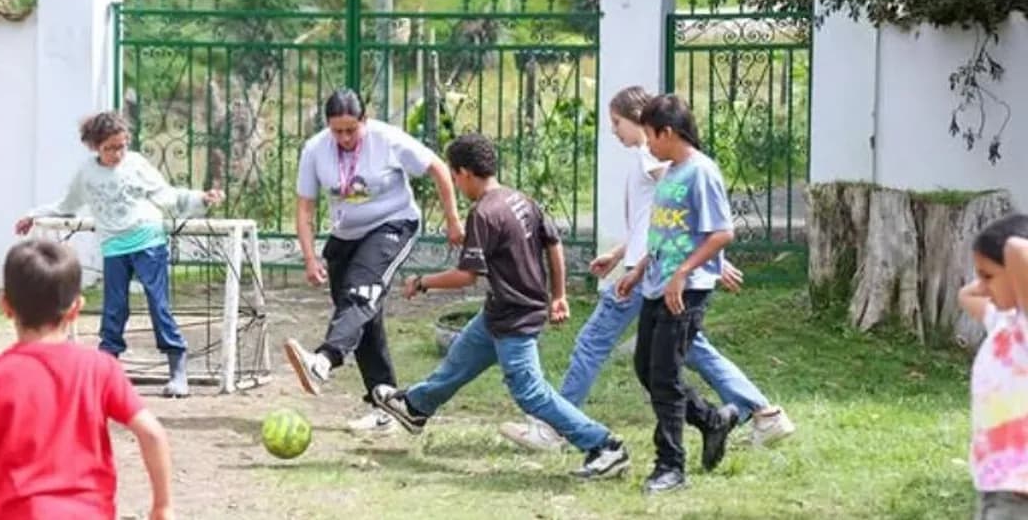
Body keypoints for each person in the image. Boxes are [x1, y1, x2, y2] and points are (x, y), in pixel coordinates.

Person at [499, 86, 794, 452]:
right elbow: (657, 221)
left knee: (592, 343)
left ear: (643, 123)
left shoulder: (654, 159)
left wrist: (712, 259)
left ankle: (555, 427)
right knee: (691, 348)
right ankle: (763, 413)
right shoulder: (655, 159)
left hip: (649, 273)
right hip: (647, 266)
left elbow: (687, 216)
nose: (614, 131)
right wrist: (619, 252)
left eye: (617, 122)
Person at [370, 133, 631, 480]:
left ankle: (604, 445)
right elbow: (552, 243)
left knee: (530, 393)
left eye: (455, 176)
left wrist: (422, 282)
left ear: (463, 172)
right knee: (458, 363)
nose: (457, 183)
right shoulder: (521, 200)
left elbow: (466, 276)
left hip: (514, 317)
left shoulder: (484, 212)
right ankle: (415, 407)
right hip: (503, 309)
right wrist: (558, 295)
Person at [0, 239, 174, 520]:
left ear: (5, 305)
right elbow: (152, 433)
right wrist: (162, 506)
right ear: (76, 308)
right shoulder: (100, 369)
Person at [283, 88, 465, 434]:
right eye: (337, 131)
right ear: (328, 127)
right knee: (364, 317)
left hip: (393, 224)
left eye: (352, 129)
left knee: (361, 296)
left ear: (364, 121)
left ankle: (323, 361)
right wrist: (309, 257)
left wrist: (453, 219)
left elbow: (438, 168)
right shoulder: (315, 150)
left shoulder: (387, 140)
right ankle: (385, 406)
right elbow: (305, 206)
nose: (345, 137)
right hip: (346, 237)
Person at [14, 110, 224, 398]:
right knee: (114, 308)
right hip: (114, 246)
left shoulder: (136, 164)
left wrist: (200, 198)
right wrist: (33, 215)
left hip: (148, 240)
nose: (117, 153)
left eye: (122, 146)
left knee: (157, 303)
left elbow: (166, 195)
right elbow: (66, 205)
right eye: (109, 148)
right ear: (94, 146)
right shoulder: (86, 173)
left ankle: (177, 367)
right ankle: (106, 369)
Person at [617, 93, 739, 494]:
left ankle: (671, 466)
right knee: (645, 369)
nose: (648, 145)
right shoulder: (670, 171)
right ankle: (711, 420)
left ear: (667, 132)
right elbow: (664, 233)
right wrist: (637, 271)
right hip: (656, 284)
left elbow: (722, 232)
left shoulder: (701, 172)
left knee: (665, 376)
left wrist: (683, 274)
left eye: (651, 136)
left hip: (685, 291)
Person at [959, 213, 1028, 520]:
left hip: (1019, 493)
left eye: (988, 276)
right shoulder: (1003, 323)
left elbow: (1016, 249)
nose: (982, 287)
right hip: (997, 486)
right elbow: (966, 295)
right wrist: (992, 280)